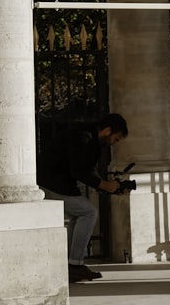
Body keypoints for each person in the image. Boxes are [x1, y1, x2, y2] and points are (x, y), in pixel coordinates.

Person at [37, 114, 129, 283]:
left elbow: (89, 170)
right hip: (50, 183)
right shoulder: (83, 137)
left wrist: (109, 187)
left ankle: (70, 264)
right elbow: (79, 171)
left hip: (56, 182)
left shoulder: (91, 139)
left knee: (78, 215)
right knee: (89, 212)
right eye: (115, 139)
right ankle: (75, 265)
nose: (112, 144)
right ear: (108, 131)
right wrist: (105, 185)